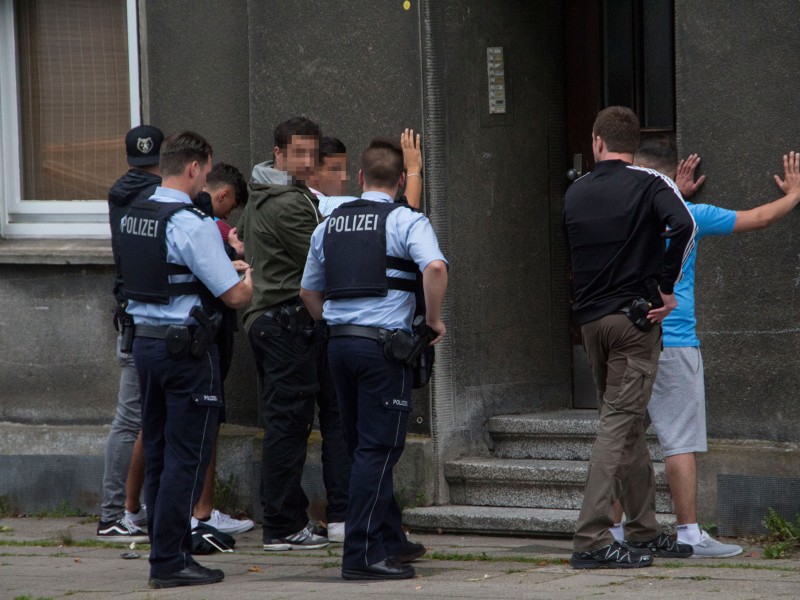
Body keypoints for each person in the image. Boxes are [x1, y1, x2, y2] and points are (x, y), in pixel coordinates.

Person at [609, 136, 800, 557]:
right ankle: (689, 535)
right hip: (675, 344)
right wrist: (795, 194)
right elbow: (759, 218)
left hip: (627, 341)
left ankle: (614, 535)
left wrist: (674, 191)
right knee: (678, 442)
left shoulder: (621, 219)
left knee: (622, 441)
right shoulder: (692, 216)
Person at [300, 137, 448, 580]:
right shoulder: (406, 219)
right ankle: (361, 556)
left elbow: (309, 291)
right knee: (379, 448)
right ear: (401, 181)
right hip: (383, 349)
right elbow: (435, 268)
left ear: (361, 178)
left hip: (339, 346)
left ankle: (388, 539)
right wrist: (434, 322)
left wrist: (333, 325)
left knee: (362, 445)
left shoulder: (329, 221)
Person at [563, 106, 697, 569]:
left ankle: (642, 530)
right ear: (632, 147)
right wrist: (665, 286)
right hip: (634, 323)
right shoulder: (649, 183)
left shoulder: (575, 193)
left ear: (597, 143)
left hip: (591, 325)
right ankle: (592, 539)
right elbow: (685, 224)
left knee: (629, 425)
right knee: (617, 427)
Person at [120, 130, 253, 588]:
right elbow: (233, 295)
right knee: (185, 457)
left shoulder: (137, 213)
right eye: (205, 171)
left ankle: (163, 554)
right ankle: (173, 559)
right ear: (194, 168)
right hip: (184, 351)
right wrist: (246, 275)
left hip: (145, 345)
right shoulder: (189, 222)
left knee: (157, 450)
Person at [238, 116, 335, 551]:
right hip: (284, 322)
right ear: (278, 154)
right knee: (289, 425)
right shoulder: (288, 202)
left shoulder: (262, 193)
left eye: (312, 154)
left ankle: (284, 519)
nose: (306, 161)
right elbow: (322, 258)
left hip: (268, 319)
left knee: (285, 423)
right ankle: (281, 524)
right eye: (297, 153)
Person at [96, 124, 163, 543]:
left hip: (128, 308)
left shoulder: (119, 192)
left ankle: (127, 509)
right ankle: (112, 513)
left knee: (135, 417)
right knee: (132, 416)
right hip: (145, 313)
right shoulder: (155, 197)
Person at [190, 162, 255, 536]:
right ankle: (202, 510)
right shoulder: (203, 227)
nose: (228, 217)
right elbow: (228, 293)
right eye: (229, 210)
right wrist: (238, 271)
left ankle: (168, 508)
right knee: (207, 421)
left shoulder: (181, 222)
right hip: (209, 334)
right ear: (224, 196)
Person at [308, 129, 423, 216]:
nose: (343, 177)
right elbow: (402, 213)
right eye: (334, 170)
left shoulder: (296, 201)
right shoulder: (332, 205)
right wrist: (413, 168)